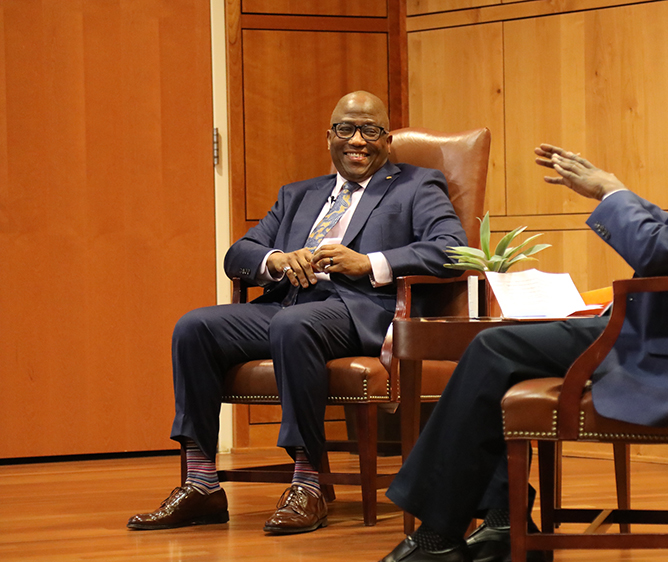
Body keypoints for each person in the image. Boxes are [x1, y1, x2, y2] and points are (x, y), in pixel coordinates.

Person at [378, 48, 668, 562]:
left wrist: (612, 195)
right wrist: (612, 190)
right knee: (501, 350)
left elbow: (663, 251)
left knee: (494, 349)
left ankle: (438, 537)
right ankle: (500, 521)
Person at [128, 91, 467, 535]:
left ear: (387, 141)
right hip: (288, 303)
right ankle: (201, 484)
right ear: (329, 137)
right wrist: (279, 260)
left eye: (370, 130)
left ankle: (308, 484)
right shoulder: (298, 195)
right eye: (346, 129)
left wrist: (369, 263)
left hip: (360, 309)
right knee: (195, 327)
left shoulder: (417, 185)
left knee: (294, 325)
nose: (357, 140)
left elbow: (452, 250)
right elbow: (239, 254)